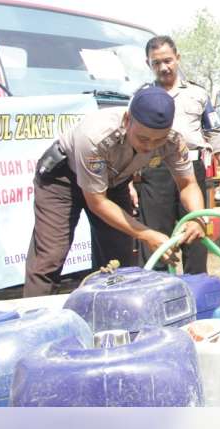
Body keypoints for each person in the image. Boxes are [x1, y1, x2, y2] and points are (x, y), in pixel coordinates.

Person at [24, 86, 205, 296]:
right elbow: (97, 203)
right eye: (143, 138)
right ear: (128, 120)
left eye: (158, 140)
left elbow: (188, 184)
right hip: (62, 181)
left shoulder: (173, 140)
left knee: (119, 261)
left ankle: (110, 310)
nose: (149, 146)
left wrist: (197, 217)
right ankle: (34, 311)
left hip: (113, 182)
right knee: (50, 257)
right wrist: (146, 234)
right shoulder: (95, 136)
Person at [135, 35, 220, 273]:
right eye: (156, 63)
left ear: (177, 58)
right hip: (156, 171)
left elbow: (214, 133)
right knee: (155, 238)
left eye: (167, 60)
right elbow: (132, 138)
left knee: (196, 233)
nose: (163, 67)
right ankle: (157, 288)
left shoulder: (198, 93)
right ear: (148, 64)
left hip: (192, 170)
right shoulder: (142, 97)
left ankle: (197, 287)